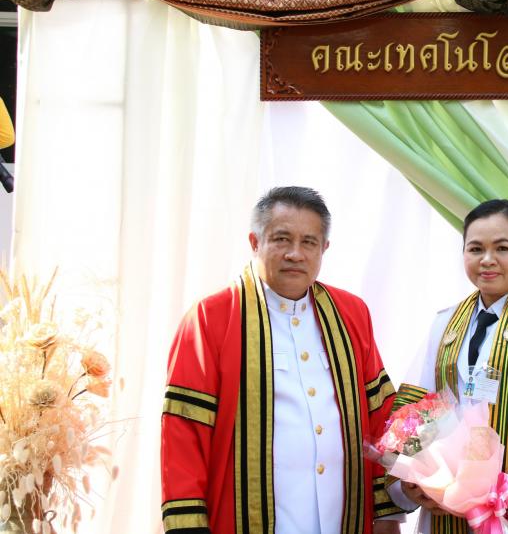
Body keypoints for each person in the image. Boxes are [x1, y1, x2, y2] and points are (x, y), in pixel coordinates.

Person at [160, 186, 404, 534]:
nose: (295, 254)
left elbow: (381, 417)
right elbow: (184, 432)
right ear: (255, 241)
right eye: (281, 239)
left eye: (309, 242)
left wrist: (387, 512)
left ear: (324, 248)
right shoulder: (210, 317)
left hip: (343, 519)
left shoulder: (352, 313)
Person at [388, 199, 508, 533]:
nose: (487, 260)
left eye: (503, 248)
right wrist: (412, 481)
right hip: (444, 508)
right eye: (476, 248)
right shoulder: (445, 323)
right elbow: (417, 410)